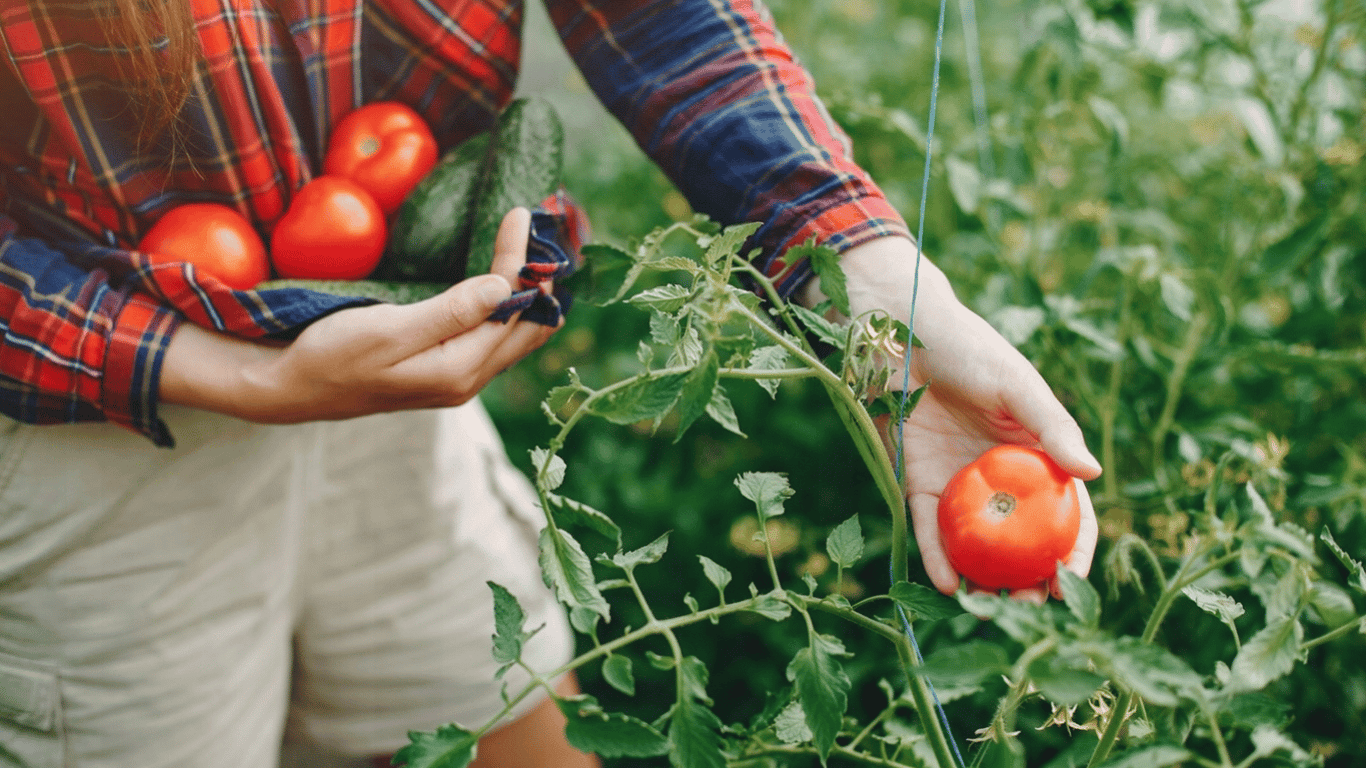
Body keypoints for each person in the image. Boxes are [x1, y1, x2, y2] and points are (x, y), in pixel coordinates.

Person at [0, 0, 1102, 766]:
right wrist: (217, 368)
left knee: (511, 713)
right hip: (93, 418)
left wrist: (860, 265)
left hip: (393, 347)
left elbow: (649, 12)